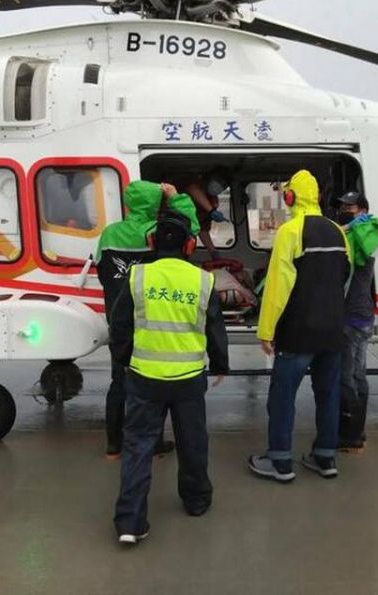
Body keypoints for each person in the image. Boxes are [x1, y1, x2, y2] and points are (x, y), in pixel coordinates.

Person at [110, 211, 230, 544]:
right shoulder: (203, 280)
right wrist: (220, 364)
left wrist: (123, 361)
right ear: (191, 245)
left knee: (138, 447)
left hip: (144, 377)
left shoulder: (137, 277)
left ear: (151, 241)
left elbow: (119, 326)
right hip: (189, 379)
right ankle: (196, 501)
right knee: (193, 442)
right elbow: (215, 328)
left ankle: (130, 523)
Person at [248, 170, 351, 482]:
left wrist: (266, 331)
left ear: (290, 197)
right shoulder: (338, 231)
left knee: (282, 397)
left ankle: (280, 461)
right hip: (333, 332)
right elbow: (344, 278)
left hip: (298, 333)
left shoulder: (290, 231)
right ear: (317, 196)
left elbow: (277, 288)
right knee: (328, 395)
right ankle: (325, 457)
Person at [96, 180, 199, 457]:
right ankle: (151, 443)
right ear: (156, 206)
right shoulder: (158, 232)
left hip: (119, 318)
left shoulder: (109, 234)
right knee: (150, 389)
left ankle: (113, 445)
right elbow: (191, 228)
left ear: (128, 204)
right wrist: (176, 196)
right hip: (148, 321)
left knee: (119, 381)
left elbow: (102, 271)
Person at [335, 191, 378, 450]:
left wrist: (348, 226)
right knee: (357, 374)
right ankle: (358, 430)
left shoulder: (363, 232)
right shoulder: (361, 231)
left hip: (352, 314)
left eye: (350, 206)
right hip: (362, 313)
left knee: (346, 377)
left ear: (363, 209)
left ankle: (350, 436)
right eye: (343, 206)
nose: (345, 210)